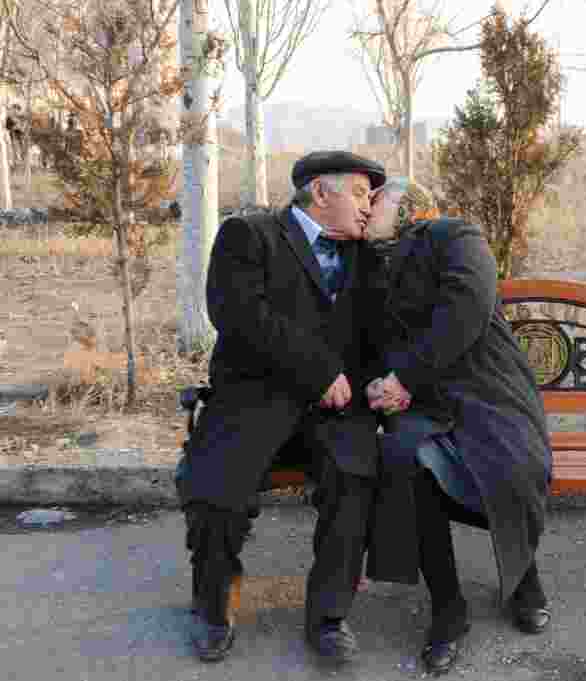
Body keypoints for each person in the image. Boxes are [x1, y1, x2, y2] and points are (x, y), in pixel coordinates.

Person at [177, 150, 385, 663]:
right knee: (216, 492)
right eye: (360, 193)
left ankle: (329, 617)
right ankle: (214, 606)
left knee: (353, 476)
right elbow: (238, 314)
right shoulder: (249, 235)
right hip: (255, 397)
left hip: (333, 412)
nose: (367, 207)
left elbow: (383, 327)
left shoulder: (369, 253)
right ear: (320, 192)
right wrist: (317, 370)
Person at [365, 182, 554, 676]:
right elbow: (366, 341)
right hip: (423, 398)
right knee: (405, 462)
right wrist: (383, 385)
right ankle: (448, 608)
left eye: (377, 199)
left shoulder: (453, 236)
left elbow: (464, 312)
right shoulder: (367, 266)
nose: (367, 207)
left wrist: (404, 375)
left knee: (509, 461)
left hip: (488, 385)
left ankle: (522, 576)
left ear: (407, 206)